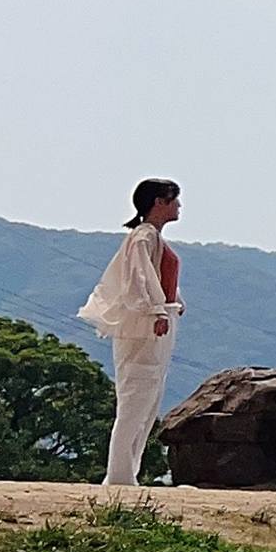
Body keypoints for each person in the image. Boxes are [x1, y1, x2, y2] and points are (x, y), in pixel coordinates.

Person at [75, 179, 182, 488]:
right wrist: (154, 310)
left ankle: (126, 472)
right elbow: (138, 278)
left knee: (147, 399)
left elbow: (158, 276)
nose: (178, 206)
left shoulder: (153, 239)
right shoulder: (143, 237)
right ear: (159, 202)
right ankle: (120, 475)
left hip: (157, 324)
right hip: (144, 327)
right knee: (136, 395)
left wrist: (173, 303)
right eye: (174, 200)